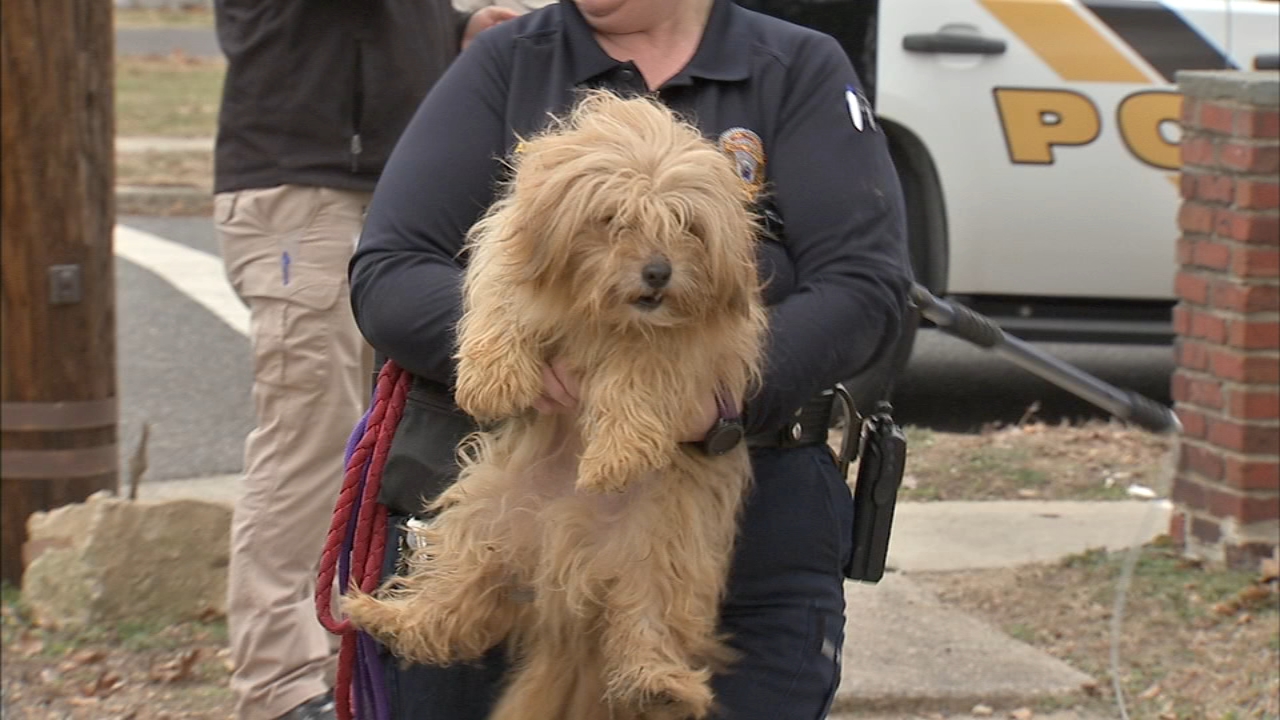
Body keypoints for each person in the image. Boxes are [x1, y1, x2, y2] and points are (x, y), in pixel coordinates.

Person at [348, 0, 912, 715]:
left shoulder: (796, 68)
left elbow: (866, 285)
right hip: (513, 515)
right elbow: (389, 270)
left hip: (746, 524)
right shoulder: (507, 62)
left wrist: (711, 394)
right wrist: (526, 353)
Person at [210, 1, 515, 718]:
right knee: (307, 442)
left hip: (386, 193)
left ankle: (343, 669)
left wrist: (454, 31)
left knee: (384, 442)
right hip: (303, 195)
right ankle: (279, 689)